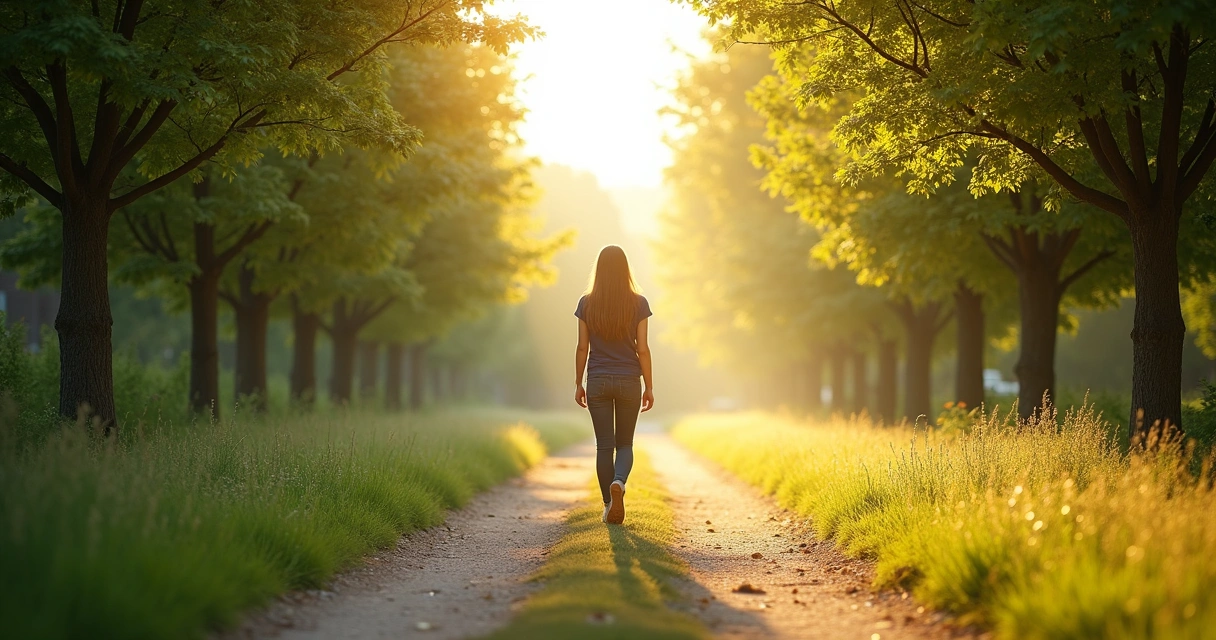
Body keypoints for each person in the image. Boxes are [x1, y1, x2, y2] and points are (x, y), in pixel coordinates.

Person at [574, 245, 654, 525]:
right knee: (625, 443)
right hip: (629, 380)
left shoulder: (586, 303)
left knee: (604, 446)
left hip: (596, 379)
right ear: (625, 269)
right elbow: (642, 349)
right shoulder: (639, 303)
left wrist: (578, 383)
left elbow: (582, 347)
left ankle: (609, 506)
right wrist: (650, 386)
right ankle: (618, 482)